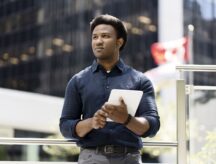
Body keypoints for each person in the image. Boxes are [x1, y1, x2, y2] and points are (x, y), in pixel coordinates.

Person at [59, 14, 160, 164]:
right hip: (91, 158)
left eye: (105, 36)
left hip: (130, 158)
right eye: (95, 37)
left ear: (119, 42)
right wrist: (91, 122)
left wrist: (126, 119)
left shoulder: (140, 80)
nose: (98, 41)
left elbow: (152, 126)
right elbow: (65, 127)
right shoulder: (77, 81)